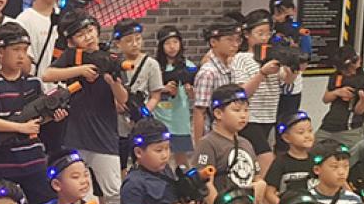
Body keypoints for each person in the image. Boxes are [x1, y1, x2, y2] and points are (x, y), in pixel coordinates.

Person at [43, 10, 129, 204]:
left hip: (104, 136)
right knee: (77, 192)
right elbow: (47, 74)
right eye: (81, 34)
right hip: (76, 135)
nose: (88, 37)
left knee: (114, 193)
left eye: (90, 30)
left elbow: (123, 99)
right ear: (72, 41)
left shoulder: (111, 58)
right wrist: (80, 70)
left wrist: (113, 82)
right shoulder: (73, 57)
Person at [0, 22, 60, 204]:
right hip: (0, 163)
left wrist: (53, 116)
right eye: (16, 49)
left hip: (34, 160)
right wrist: (20, 127)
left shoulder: (34, 83)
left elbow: (41, 118)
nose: (21, 55)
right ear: (0, 52)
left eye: (25, 50)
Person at [191, 17, 279, 147]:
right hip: (213, 136)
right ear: (213, 42)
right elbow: (199, 111)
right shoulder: (208, 72)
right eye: (229, 40)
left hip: (232, 134)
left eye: (238, 40)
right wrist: (199, 145)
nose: (235, 44)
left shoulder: (232, 66)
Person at [192, 84, 262, 204]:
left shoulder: (246, 143)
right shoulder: (208, 143)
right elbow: (205, 185)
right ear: (218, 113)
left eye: (246, 110)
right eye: (236, 110)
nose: (243, 115)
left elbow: (256, 176)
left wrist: (260, 185)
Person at [17, 0, 68, 155]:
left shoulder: (65, 18)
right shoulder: (25, 19)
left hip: (61, 94)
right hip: (34, 96)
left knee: (58, 151)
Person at [235, 10, 285, 175]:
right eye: (260, 33)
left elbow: (287, 80)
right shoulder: (241, 58)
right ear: (247, 34)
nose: (264, 38)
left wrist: (294, 65)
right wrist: (262, 73)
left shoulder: (273, 56)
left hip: (269, 116)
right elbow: (242, 92)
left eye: (268, 33)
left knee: (257, 163)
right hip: (250, 117)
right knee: (267, 159)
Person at [113, 18, 163, 172]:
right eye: (129, 40)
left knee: (142, 162)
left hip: (141, 122)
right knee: (119, 163)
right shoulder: (113, 63)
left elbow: (156, 95)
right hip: (118, 125)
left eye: (138, 39)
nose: (135, 44)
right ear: (118, 43)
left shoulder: (151, 64)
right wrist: (116, 104)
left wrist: (143, 112)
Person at [152, 26, 197, 167]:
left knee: (181, 160)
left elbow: (195, 96)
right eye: (167, 43)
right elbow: (147, 91)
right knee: (159, 158)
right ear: (161, 46)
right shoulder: (155, 66)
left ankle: (184, 180)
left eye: (175, 42)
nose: (172, 47)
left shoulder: (188, 66)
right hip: (159, 118)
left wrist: (190, 91)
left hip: (180, 120)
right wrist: (163, 89)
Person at [315, 46, 364, 148]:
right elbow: (326, 99)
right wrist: (337, 92)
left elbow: (359, 111)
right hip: (328, 125)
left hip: (350, 128)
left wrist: (363, 99)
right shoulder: (336, 76)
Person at [270, 0, 311, 122]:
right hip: (270, 86)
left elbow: (304, 64)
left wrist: (294, 52)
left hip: (291, 89)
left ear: (293, 10)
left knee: (287, 123)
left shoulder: (301, 33)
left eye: (285, 12)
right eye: (278, 13)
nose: (282, 17)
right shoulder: (269, 31)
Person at [264, 111, 315, 204]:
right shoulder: (281, 162)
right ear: (286, 138)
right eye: (301, 132)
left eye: (310, 131)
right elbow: (269, 192)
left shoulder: (316, 161)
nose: (307, 135)